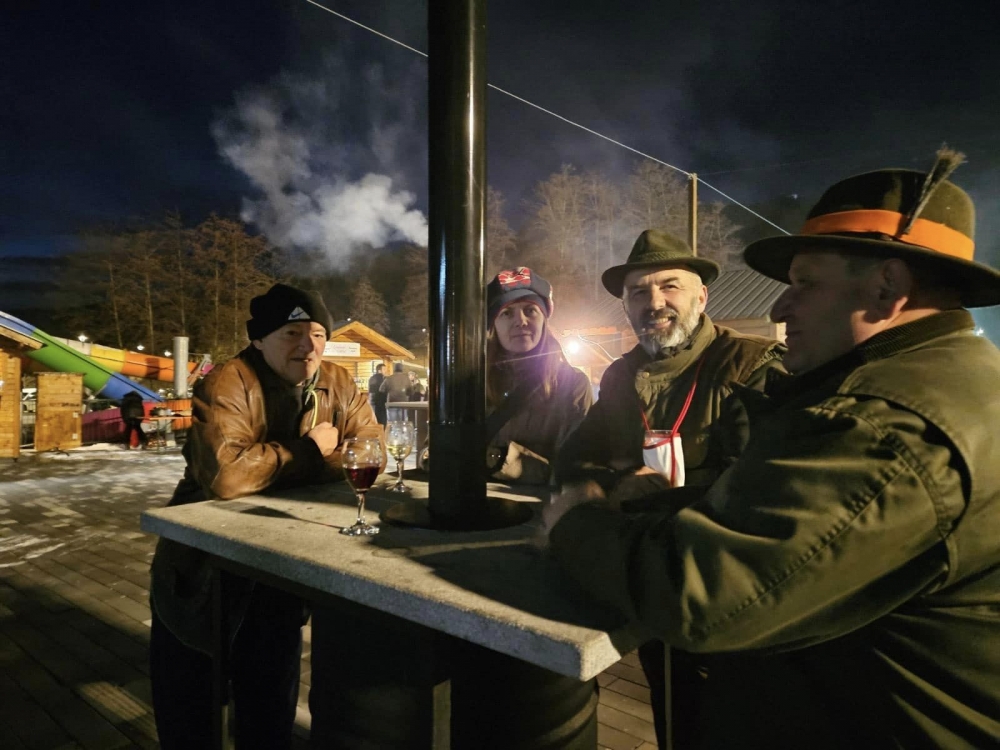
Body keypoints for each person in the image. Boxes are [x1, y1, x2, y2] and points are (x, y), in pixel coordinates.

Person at [544, 153, 1000, 748]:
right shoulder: (936, 381)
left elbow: (704, 595)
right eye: (638, 291)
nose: (781, 309)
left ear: (888, 286)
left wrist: (573, 524)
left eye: (806, 283)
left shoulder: (883, 424)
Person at [553, 230, 785, 749]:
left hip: (729, 599)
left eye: (669, 287)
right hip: (647, 586)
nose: (653, 303)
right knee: (675, 720)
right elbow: (572, 462)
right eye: (638, 291)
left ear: (702, 296)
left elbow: (760, 492)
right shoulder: (619, 377)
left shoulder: (749, 366)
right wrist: (617, 482)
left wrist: (644, 495)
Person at [148, 283, 383, 750]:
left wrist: (282, 463)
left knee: (270, 710)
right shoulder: (228, 381)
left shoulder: (338, 382)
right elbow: (228, 477)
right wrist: (311, 452)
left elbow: (370, 449)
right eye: (292, 332)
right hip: (205, 572)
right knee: (192, 714)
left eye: (317, 333)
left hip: (280, 571)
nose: (308, 345)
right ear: (259, 339)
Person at [485, 266, 593, 485]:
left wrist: (502, 460)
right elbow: (436, 447)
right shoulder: (472, 381)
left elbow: (578, 468)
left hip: (538, 513)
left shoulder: (573, 384)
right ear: (493, 326)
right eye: (506, 313)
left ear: (544, 319)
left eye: (530, 310)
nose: (521, 321)